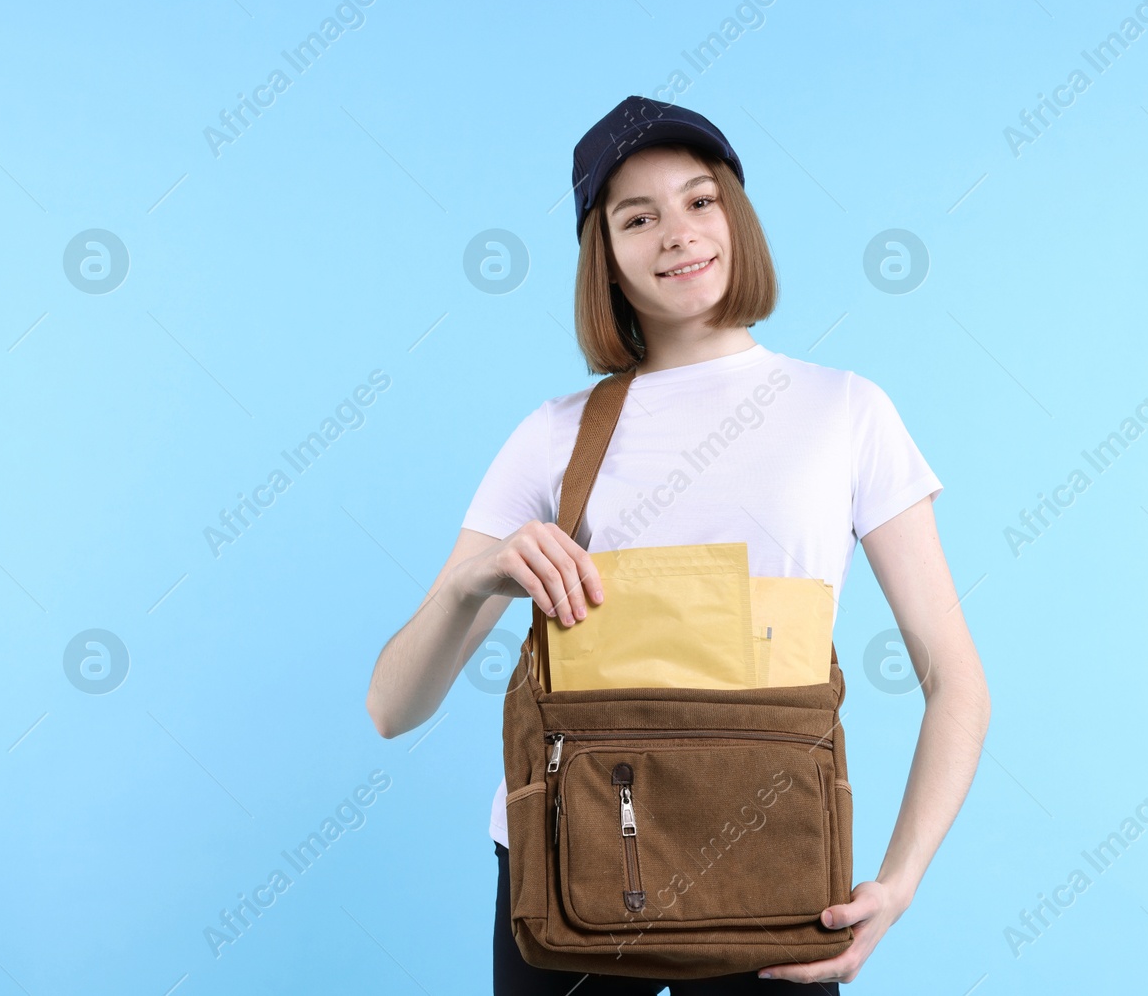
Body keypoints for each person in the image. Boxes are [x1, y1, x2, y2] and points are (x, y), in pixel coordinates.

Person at [366, 96, 991, 993]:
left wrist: (898, 883)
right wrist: (475, 582)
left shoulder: (847, 411)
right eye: (638, 216)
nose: (678, 234)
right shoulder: (555, 435)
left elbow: (957, 683)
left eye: (700, 201)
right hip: (570, 867)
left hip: (772, 870)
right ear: (605, 257)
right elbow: (392, 707)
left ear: (735, 215)